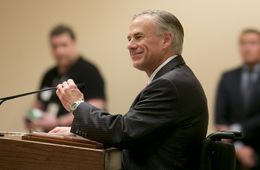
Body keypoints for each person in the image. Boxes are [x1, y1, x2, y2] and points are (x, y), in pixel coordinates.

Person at [49, 10, 208, 170]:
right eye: (129, 38)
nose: (130, 45)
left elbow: (123, 132)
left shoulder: (170, 84)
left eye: (138, 37)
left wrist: (76, 105)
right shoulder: (173, 78)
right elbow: (133, 132)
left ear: (166, 40)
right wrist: (80, 133)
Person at [26, 25, 106, 132]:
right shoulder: (49, 75)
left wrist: (58, 122)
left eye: (64, 45)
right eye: (55, 47)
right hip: (49, 136)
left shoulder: (89, 71)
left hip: (76, 137)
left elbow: (97, 108)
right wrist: (31, 117)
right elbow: (37, 105)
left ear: (74, 44)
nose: (60, 51)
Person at [215, 29, 260, 170]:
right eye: (243, 43)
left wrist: (236, 130)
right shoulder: (227, 77)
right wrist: (238, 147)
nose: (247, 48)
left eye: (253, 43)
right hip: (234, 155)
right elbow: (220, 119)